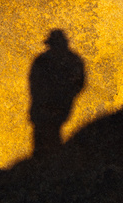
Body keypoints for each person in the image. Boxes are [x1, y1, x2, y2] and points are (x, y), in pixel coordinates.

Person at [28, 29, 85, 158]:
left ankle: (46, 164)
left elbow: (34, 85)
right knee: (51, 136)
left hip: (47, 108)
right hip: (57, 107)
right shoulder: (73, 60)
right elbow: (79, 84)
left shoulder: (42, 60)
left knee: (45, 138)